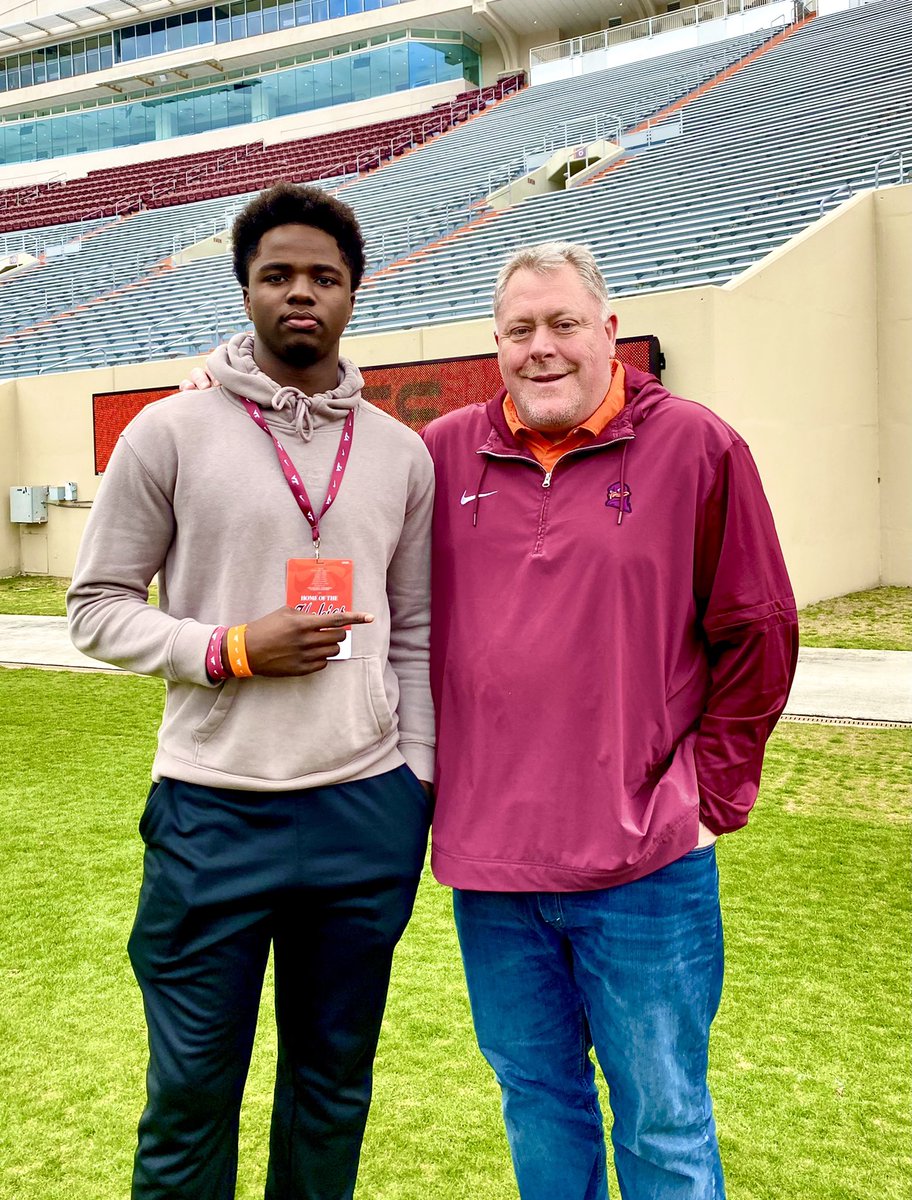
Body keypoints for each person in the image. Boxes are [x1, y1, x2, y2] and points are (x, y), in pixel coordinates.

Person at [67, 182, 435, 1200]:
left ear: (356, 292)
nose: (301, 293)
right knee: (190, 1095)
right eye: (279, 275)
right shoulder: (167, 433)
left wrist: (417, 781)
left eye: (324, 275)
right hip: (212, 813)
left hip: (365, 812)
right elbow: (96, 606)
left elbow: (418, 631)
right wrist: (228, 648)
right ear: (247, 290)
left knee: (332, 1090)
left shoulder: (402, 454)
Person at [420, 241, 799, 1200]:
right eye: (519, 330)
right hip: (492, 868)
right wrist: (235, 385)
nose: (540, 348)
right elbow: (330, 486)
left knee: (664, 1119)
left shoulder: (696, 446)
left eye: (563, 324)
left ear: (609, 330)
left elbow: (758, 630)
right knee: (537, 1103)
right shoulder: (443, 452)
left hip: (647, 866)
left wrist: (709, 795)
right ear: (494, 344)